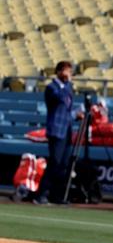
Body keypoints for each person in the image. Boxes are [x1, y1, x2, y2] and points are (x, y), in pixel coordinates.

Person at [35, 61, 84, 205]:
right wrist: (75, 114)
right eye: (67, 71)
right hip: (56, 130)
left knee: (63, 164)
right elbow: (59, 100)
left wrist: (76, 113)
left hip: (67, 130)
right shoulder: (52, 88)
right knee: (55, 162)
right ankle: (42, 194)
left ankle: (57, 196)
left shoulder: (67, 87)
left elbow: (67, 109)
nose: (70, 74)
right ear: (60, 71)